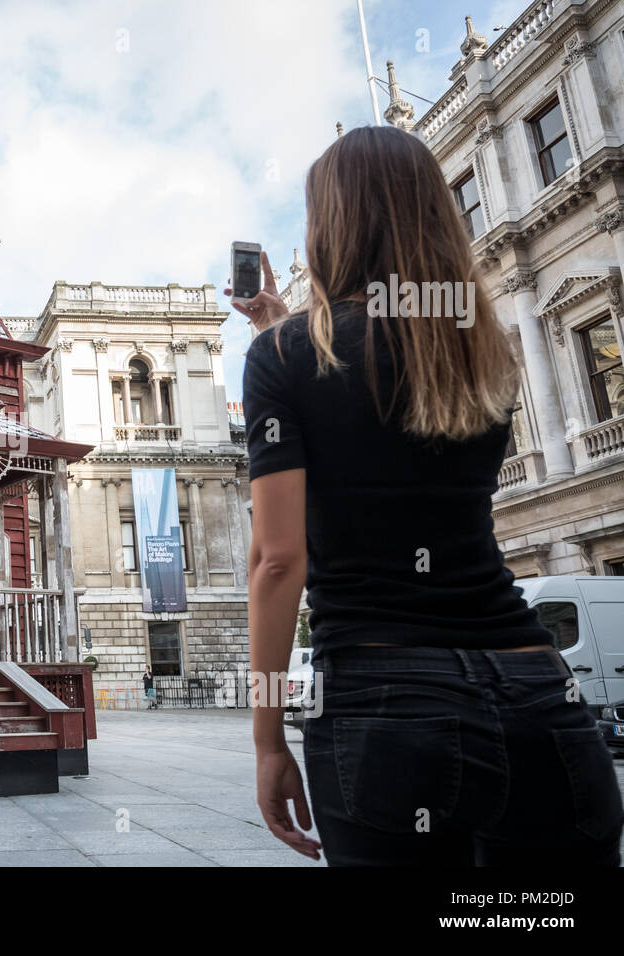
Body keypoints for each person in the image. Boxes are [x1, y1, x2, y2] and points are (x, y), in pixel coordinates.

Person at [232, 125, 623, 866]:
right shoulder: (483, 346)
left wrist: (265, 737)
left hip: (384, 702)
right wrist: (285, 334)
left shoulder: (278, 362)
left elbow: (279, 562)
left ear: (332, 228)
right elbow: (385, 398)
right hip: (538, 691)